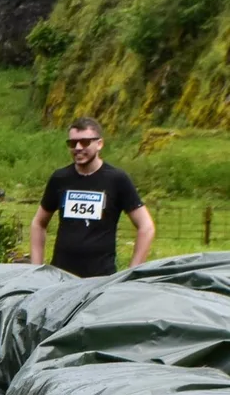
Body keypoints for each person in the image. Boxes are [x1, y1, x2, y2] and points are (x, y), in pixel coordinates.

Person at [31, 117, 156, 278]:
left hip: (100, 278)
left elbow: (146, 226)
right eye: (72, 143)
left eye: (84, 142)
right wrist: (35, 271)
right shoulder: (60, 178)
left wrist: (132, 274)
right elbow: (38, 223)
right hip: (60, 278)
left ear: (99, 144)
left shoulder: (117, 179)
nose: (77, 148)